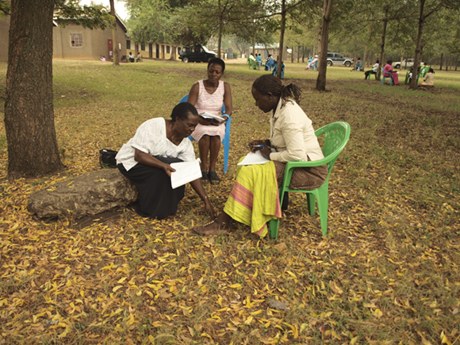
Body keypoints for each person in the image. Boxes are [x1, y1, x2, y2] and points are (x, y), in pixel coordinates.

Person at [192, 75, 328, 237]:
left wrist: (271, 155)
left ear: (270, 95)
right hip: (296, 163)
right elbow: (285, 140)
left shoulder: (289, 115)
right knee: (246, 163)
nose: (256, 104)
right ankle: (248, 212)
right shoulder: (280, 106)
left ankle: (224, 222)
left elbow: (297, 155)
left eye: (258, 99)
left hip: (308, 171)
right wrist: (266, 142)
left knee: (253, 171)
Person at [116, 102, 215, 220]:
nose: (192, 130)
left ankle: (166, 208)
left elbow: (191, 173)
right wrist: (163, 166)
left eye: (194, 126)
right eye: (189, 125)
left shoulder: (185, 144)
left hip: (155, 164)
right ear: (177, 119)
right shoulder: (154, 126)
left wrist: (205, 199)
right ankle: (147, 209)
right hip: (131, 163)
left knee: (179, 169)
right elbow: (139, 155)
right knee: (162, 172)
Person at [187, 57, 233, 184]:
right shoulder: (197, 86)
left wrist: (223, 119)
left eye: (217, 72)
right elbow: (189, 108)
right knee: (205, 135)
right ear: (207, 70)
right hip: (198, 119)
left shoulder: (225, 87)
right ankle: (203, 169)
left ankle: (212, 170)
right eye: (211, 71)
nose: (213, 74)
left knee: (217, 135)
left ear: (221, 74)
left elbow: (229, 109)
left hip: (216, 120)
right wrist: (199, 119)